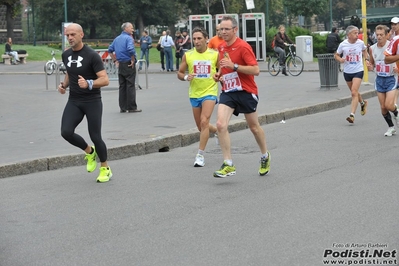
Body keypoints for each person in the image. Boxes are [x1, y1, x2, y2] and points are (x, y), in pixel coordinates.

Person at [213, 15, 270, 178]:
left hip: (246, 91)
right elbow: (223, 68)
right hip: (229, 91)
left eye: (226, 29)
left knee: (254, 127)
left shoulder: (243, 47)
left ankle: (265, 155)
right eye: (220, 29)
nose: (222, 32)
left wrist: (235, 66)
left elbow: (255, 70)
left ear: (235, 30)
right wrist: (219, 75)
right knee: (220, 124)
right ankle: (228, 164)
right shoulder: (222, 47)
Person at [58, 23, 112, 183]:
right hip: (74, 100)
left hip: (92, 101)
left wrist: (89, 83)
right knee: (66, 132)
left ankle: (105, 168)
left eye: (73, 34)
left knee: (95, 136)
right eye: (67, 35)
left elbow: (105, 80)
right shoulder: (66, 55)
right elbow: (70, 72)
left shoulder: (92, 55)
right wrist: (64, 85)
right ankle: (89, 152)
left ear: (81, 35)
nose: (70, 38)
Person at [177, 27, 219, 167]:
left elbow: (222, 70)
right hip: (194, 94)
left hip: (210, 91)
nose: (196, 41)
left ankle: (200, 155)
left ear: (206, 39)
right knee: (201, 127)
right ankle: (217, 131)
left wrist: (219, 77)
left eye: (199, 38)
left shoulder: (214, 54)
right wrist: (186, 77)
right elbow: (180, 73)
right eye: (194, 39)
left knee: (204, 120)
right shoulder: (188, 55)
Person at [368, 25, 399, 136]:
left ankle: (396, 112)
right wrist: (370, 67)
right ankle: (391, 127)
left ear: (387, 35)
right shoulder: (372, 48)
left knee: (389, 105)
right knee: (383, 107)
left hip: (391, 78)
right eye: (377, 35)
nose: (379, 37)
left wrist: (397, 68)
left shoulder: (392, 46)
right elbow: (372, 63)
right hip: (380, 79)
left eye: (381, 35)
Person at [334, 25, 369, 124]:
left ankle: (352, 115)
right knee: (355, 92)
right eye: (355, 33)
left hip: (358, 70)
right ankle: (362, 103)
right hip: (347, 71)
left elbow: (365, 50)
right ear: (349, 35)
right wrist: (340, 59)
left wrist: (366, 59)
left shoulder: (360, 43)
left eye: (358, 33)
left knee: (354, 92)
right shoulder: (343, 44)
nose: (357, 35)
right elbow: (336, 55)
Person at [108, 22, 141, 113]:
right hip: (128, 63)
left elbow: (110, 50)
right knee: (130, 85)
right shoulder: (129, 38)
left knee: (122, 86)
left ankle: (123, 107)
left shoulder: (117, 39)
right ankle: (131, 107)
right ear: (126, 29)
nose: (133, 30)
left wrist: (115, 60)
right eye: (131, 28)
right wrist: (133, 59)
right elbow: (130, 49)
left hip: (121, 64)